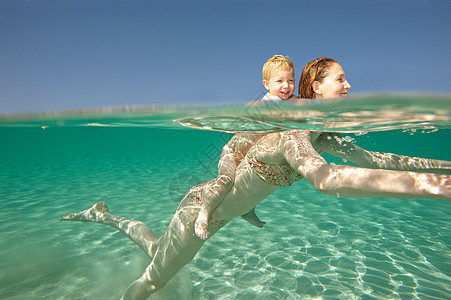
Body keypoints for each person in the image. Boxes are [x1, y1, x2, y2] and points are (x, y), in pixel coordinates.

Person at [60, 57, 451, 299]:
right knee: (152, 281)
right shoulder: (293, 133)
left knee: (154, 249)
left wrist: (440, 169)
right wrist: (439, 189)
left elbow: (374, 159)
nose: (350, 87)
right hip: (200, 209)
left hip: (223, 214)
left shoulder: (319, 133)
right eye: (341, 79)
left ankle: (105, 214)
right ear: (316, 88)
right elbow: (326, 179)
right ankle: (107, 217)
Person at [194, 55, 297, 240]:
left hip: (250, 155)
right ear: (266, 84)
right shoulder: (270, 101)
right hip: (233, 153)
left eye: (291, 80)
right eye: (279, 81)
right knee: (226, 181)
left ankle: (248, 209)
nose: (286, 86)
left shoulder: (288, 101)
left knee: (253, 184)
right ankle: (203, 214)